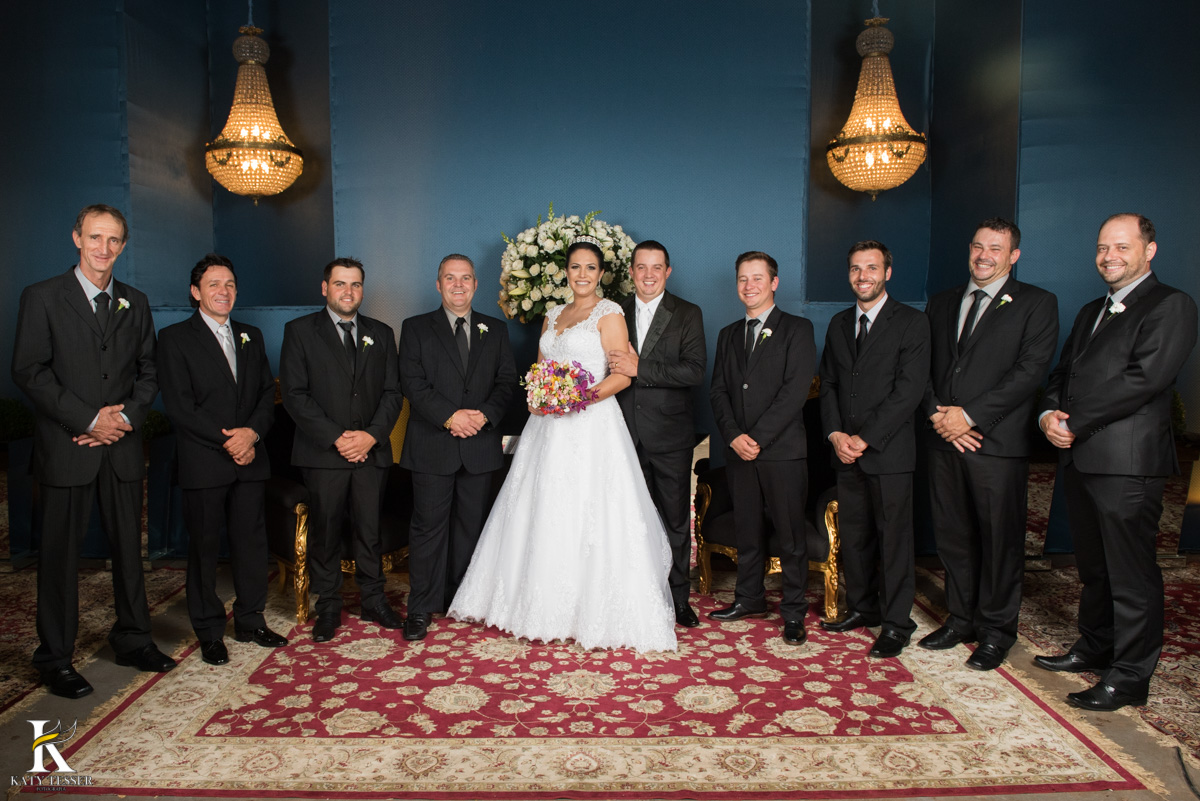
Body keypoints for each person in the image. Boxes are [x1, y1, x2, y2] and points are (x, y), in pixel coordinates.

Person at [448, 236, 676, 652]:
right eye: (575, 267)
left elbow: (623, 375)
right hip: (548, 427)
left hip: (592, 426)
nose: (583, 275)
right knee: (543, 507)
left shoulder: (609, 314)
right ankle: (534, 605)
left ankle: (590, 612)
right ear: (565, 273)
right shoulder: (553, 314)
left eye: (591, 268)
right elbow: (539, 370)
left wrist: (579, 398)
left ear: (602, 274)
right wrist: (542, 394)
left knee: (590, 510)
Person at [12, 204, 174, 699]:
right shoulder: (41, 297)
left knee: (131, 550)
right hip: (69, 445)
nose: (104, 249)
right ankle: (55, 659)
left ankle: (133, 639)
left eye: (114, 240)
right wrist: (88, 419)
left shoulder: (136, 301)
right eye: (95, 238)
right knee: (60, 558)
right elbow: (29, 370)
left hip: (120, 446)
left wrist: (122, 419)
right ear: (77, 238)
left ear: (123, 246)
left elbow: (150, 370)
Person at [1035, 213, 1197, 711]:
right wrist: (1047, 415)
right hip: (1082, 459)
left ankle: (1129, 676)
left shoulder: (1171, 305)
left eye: (1122, 247)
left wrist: (1074, 421)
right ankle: (1096, 645)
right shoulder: (1091, 311)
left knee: (1130, 572)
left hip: (1127, 462)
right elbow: (1062, 372)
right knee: (1095, 568)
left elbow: (1144, 379)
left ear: (1149, 250)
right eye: (1104, 247)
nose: (1110, 257)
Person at [920, 218, 1058, 672]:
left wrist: (969, 416)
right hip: (943, 439)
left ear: (1013, 255)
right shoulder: (940, 303)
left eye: (995, 248)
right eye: (978, 245)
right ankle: (961, 619)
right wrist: (940, 414)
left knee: (999, 540)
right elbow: (922, 367)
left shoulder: (1037, 303)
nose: (984, 255)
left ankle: (997, 632)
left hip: (994, 443)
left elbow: (1029, 371)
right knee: (954, 538)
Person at [157, 254, 288, 666]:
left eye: (230, 284)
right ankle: (210, 631)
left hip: (251, 457)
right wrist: (228, 441)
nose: (223, 292)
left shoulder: (250, 335)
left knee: (252, 545)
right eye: (214, 284)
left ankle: (251, 621)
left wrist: (251, 434)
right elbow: (180, 406)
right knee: (205, 549)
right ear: (196, 292)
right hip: (205, 460)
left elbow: (267, 394)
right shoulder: (175, 339)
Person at [279, 258, 403, 642]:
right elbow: (295, 396)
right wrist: (338, 438)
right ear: (324, 288)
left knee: (369, 532)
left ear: (362, 289)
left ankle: (372, 599)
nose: (348, 292)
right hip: (322, 454)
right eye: (340, 284)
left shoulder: (381, 333)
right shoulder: (299, 331)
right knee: (326, 532)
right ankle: (328, 606)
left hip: (370, 452)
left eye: (355, 285)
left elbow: (392, 393)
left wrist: (370, 436)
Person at [818, 240, 929, 658]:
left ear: (888, 272)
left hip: (889, 453)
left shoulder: (912, 323)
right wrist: (835, 435)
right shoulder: (839, 323)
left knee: (894, 540)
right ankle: (862, 609)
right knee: (856, 535)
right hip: (845, 451)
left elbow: (908, 392)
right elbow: (828, 384)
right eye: (855, 269)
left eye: (871, 268)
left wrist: (865, 438)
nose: (863, 276)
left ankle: (897, 622)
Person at [398, 254, 517, 641]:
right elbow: (413, 384)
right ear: (438, 284)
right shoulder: (415, 328)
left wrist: (482, 416)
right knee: (428, 529)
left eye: (465, 278)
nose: (458, 285)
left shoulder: (495, 329)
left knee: (472, 528)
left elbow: (506, 382)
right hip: (434, 444)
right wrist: (452, 417)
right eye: (450, 278)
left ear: (476, 284)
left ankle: (462, 600)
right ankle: (421, 607)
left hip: (480, 446)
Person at [709, 251, 816, 645]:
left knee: (790, 535)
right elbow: (717, 391)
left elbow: (794, 392)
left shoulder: (797, 329)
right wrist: (734, 435)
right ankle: (749, 598)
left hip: (782, 451)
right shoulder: (727, 334)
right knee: (747, 529)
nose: (748, 285)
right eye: (742, 279)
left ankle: (793, 612)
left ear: (774, 282)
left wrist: (758, 437)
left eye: (757, 278)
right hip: (739, 451)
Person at [609, 240, 707, 628]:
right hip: (621, 437)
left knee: (674, 521)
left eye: (656, 268)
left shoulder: (687, 313)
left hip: (670, 438)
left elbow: (694, 371)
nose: (648, 275)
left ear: (667, 272)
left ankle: (679, 599)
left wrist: (640, 368)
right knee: (628, 520)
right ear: (631, 272)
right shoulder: (614, 312)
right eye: (641, 267)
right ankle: (637, 597)